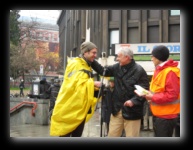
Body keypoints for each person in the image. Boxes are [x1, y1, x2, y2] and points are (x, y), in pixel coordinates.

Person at [91, 47, 149, 137]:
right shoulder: (116, 67)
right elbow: (103, 71)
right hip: (117, 110)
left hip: (132, 112)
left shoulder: (139, 70)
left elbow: (144, 90)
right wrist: (91, 60)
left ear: (127, 57)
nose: (117, 59)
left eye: (119, 56)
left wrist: (133, 101)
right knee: (112, 136)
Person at [50, 41, 101, 137]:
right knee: (65, 134)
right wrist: (93, 83)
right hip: (69, 107)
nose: (95, 55)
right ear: (86, 52)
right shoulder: (75, 64)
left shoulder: (86, 65)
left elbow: (82, 83)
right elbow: (74, 83)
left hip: (79, 109)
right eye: (93, 53)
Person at [144, 45, 180, 137]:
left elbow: (172, 95)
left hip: (166, 116)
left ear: (158, 58)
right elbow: (158, 90)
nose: (151, 59)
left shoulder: (169, 72)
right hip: (161, 115)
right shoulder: (161, 70)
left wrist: (152, 97)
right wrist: (148, 94)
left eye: (152, 56)